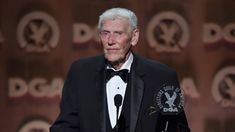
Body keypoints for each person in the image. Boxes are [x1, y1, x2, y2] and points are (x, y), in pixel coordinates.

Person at [50, 7, 190, 132]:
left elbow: (178, 128)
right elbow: (65, 126)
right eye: (105, 33)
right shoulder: (80, 73)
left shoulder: (161, 76)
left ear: (134, 37)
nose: (110, 40)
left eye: (118, 33)